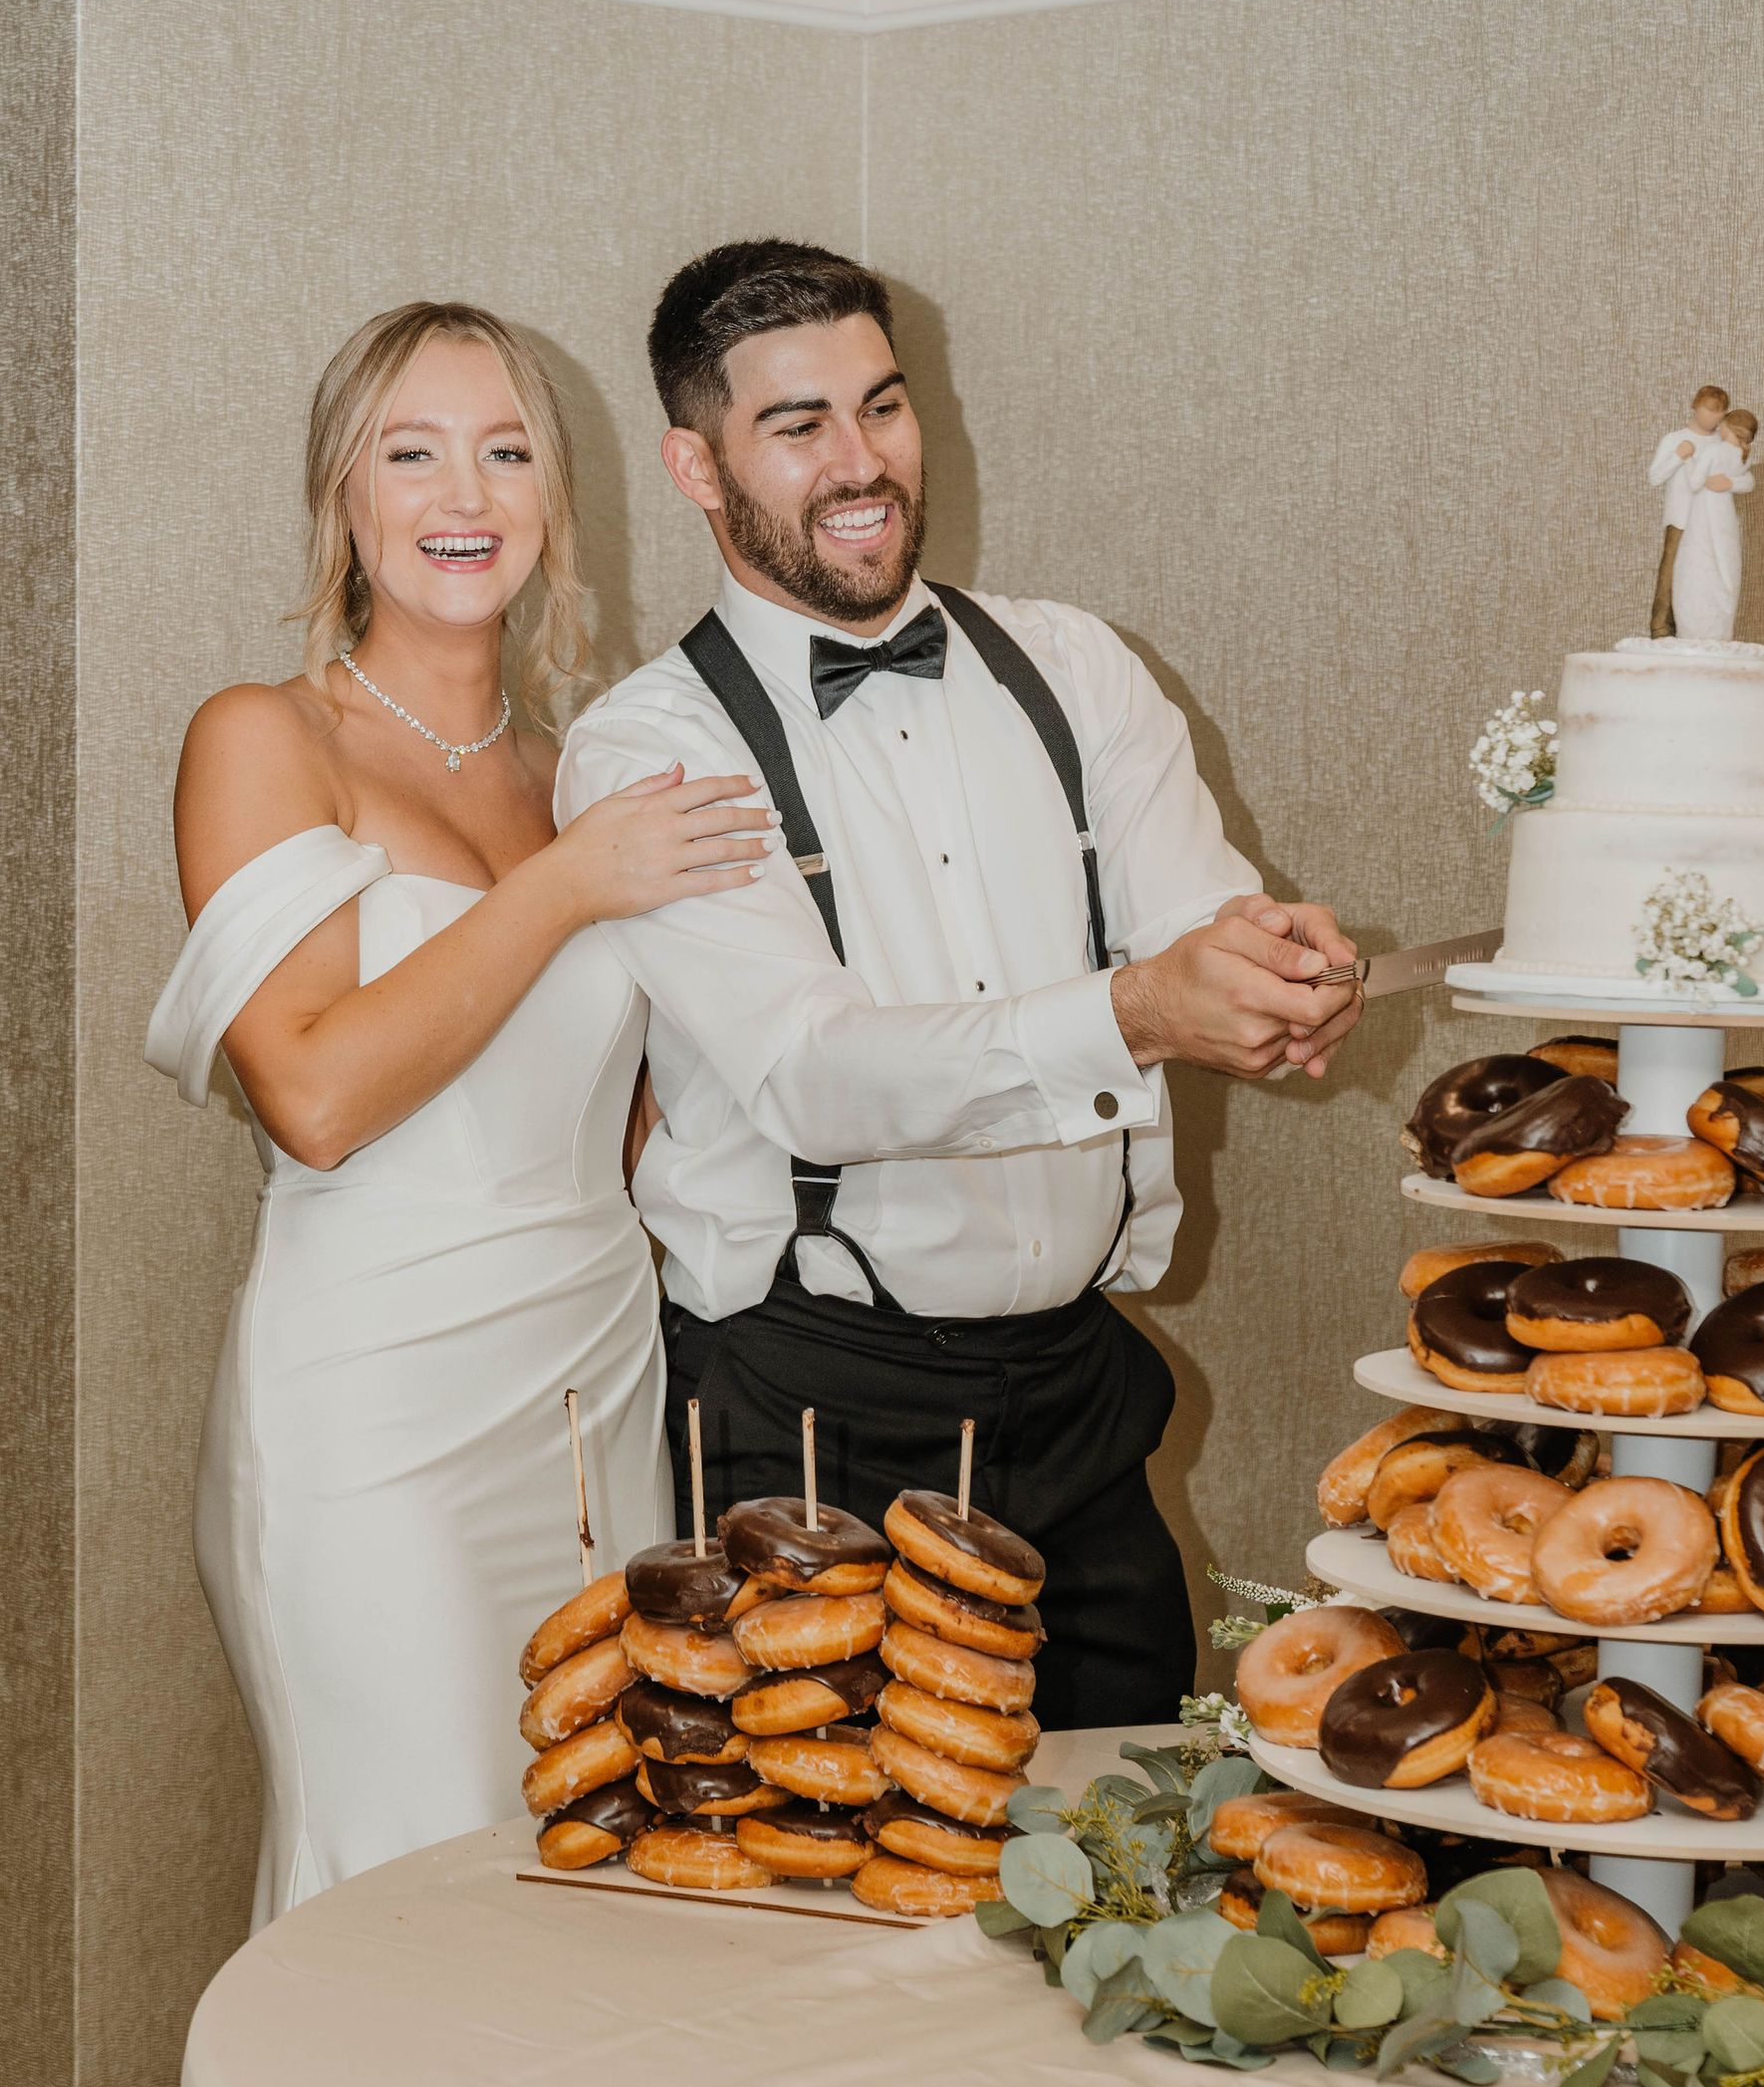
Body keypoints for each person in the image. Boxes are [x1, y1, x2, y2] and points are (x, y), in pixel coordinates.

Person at [556, 239, 1364, 1727]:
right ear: (695, 464)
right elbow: (815, 1072)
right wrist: (1140, 1010)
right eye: (797, 428)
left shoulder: (1076, 665)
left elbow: (1199, 913)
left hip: (1080, 1404)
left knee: (1121, 1879)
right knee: (835, 1913)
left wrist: (1266, 974)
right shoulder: (653, 747)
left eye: (883, 406)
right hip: (809, 1412)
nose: (861, 464)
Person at [146, 300, 774, 1924]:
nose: (465, 495)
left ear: (555, 498)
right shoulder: (268, 738)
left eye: (506, 452)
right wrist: (569, 886)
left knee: (590, 1872)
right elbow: (318, 1095)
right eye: (411, 452)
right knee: (413, 1884)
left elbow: (632, 1124)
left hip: (592, 1396)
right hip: (373, 1411)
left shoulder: (585, 775)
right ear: (343, 497)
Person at [1647, 382, 1730, 638]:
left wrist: (1730, 481)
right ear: (1695, 406)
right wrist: (1678, 456)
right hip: (1681, 519)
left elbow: (1735, 473)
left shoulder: (1722, 442)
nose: (1714, 416)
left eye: (1720, 412)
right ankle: (1661, 627)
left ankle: (1701, 629)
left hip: (1712, 522)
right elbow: (1655, 477)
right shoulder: (1674, 439)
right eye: (1709, 409)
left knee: (1708, 575)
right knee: (1671, 572)